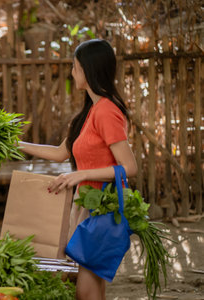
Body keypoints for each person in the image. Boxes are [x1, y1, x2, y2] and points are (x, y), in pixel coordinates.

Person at [18, 39, 137, 300]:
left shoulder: (107, 111)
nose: (72, 72)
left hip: (100, 211)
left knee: (85, 290)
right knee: (88, 288)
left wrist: (80, 175)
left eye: (75, 67)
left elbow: (129, 167)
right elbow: (61, 152)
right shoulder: (90, 112)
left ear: (88, 70)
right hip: (85, 207)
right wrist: (17, 144)